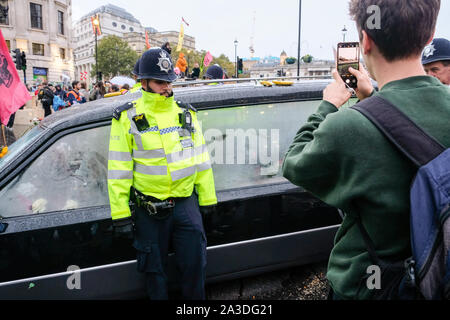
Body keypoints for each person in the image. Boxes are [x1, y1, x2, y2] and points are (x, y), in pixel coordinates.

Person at [282, 0, 449, 300]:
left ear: (366, 41)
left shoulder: (346, 127)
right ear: (429, 35)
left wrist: (329, 105)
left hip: (373, 286)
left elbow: (294, 163)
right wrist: (373, 99)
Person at [107, 47, 217, 300]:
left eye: (169, 82)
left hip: (186, 205)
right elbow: (119, 168)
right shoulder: (127, 117)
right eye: (160, 82)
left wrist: (208, 199)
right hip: (149, 210)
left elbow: (200, 158)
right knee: (154, 274)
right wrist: (121, 214)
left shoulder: (185, 113)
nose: (166, 87)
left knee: (195, 267)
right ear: (142, 82)